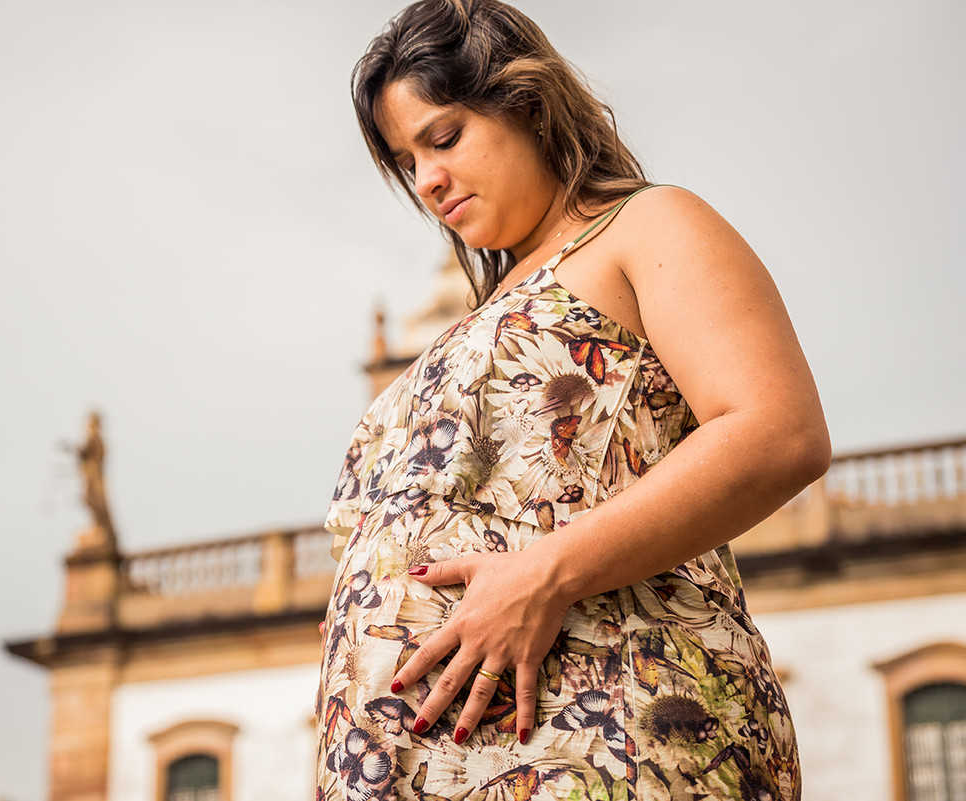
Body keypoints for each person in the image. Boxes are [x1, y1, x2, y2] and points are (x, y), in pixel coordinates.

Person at [316, 1, 829, 799]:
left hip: (602, 739)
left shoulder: (645, 227)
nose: (427, 181)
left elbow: (777, 431)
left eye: (443, 138)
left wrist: (541, 574)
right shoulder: (473, 320)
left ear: (526, 103)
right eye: (406, 160)